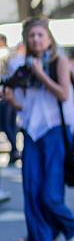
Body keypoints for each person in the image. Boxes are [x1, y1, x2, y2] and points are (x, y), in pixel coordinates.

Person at [3, 18, 74, 241]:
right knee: (31, 193)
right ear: (26, 40)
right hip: (30, 132)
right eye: (31, 36)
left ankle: (72, 229)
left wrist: (40, 74)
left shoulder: (57, 61)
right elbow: (23, 105)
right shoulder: (19, 65)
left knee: (50, 195)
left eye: (40, 34)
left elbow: (63, 94)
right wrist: (10, 99)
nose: (36, 39)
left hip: (54, 132)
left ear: (49, 38)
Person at [0, 34, 19, 165]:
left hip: (4, 91)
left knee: (6, 124)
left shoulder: (3, 54)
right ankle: (14, 150)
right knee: (11, 124)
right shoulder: (13, 54)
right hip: (13, 91)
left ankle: (15, 150)